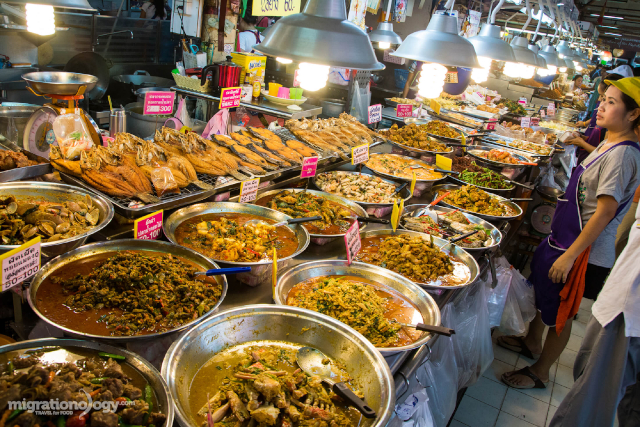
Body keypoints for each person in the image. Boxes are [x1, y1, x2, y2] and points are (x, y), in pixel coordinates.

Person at [498, 77, 640, 390]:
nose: (601, 105)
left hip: (583, 251)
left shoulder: (623, 154)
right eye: (605, 99)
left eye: (612, 102)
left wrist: (570, 256)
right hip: (565, 239)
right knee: (544, 297)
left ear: (633, 114)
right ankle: (532, 342)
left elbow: (603, 212)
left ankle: (541, 371)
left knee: (563, 314)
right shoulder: (609, 141)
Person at [567, 73, 624, 166]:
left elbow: (602, 153)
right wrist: (584, 139)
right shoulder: (606, 125)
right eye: (603, 98)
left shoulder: (621, 146)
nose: (600, 104)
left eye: (611, 102)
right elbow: (601, 144)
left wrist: (582, 143)